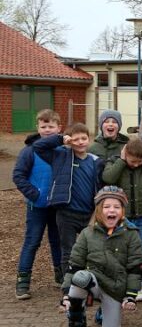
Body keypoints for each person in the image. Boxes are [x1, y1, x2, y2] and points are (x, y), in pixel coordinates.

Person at [59, 187, 142, 327]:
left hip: (115, 289)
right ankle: (76, 315)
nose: (112, 210)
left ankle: (102, 313)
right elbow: (75, 263)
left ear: (123, 211)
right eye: (107, 206)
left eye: (117, 206)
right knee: (81, 276)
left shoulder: (132, 234)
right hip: (93, 282)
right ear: (99, 210)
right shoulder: (87, 233)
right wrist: (67, 294)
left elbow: (135, 267)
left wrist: (130, 295)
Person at [33, 123, 102, 296]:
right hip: (67, 214)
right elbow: (38, 146)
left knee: (92, 251)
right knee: (68, 251)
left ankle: (91, 286)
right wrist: (59, 139)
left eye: (83, 138)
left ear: (89, 139)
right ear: (69, 140)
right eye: (76, 139)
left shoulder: (95, 160)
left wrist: (96, 213)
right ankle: (68, 288)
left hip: (89, 215)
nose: (80, 142)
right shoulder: (60, 156)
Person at [101, 137, 142, 300]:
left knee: (141, 250)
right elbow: (108, 178)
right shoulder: (114, 161)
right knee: (120, 249)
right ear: (124, 153)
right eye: (132, 161)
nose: (136, 165)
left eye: (139, 161)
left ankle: (140, 283)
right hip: (122, 216)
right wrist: (121, 161)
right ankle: (120, 282)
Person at [13, 109, 63, 300]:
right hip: (37, 206)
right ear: (38, 128)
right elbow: (18, 176)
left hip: (58, 206)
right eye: (44, 126)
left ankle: (60, 275)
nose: (48, 130)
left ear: (59, 128)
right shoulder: (29, 151)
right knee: (32, 242)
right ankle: (23, 281)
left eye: (51, 126)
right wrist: (35, 194)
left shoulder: (63, 150)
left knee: (57, 242)